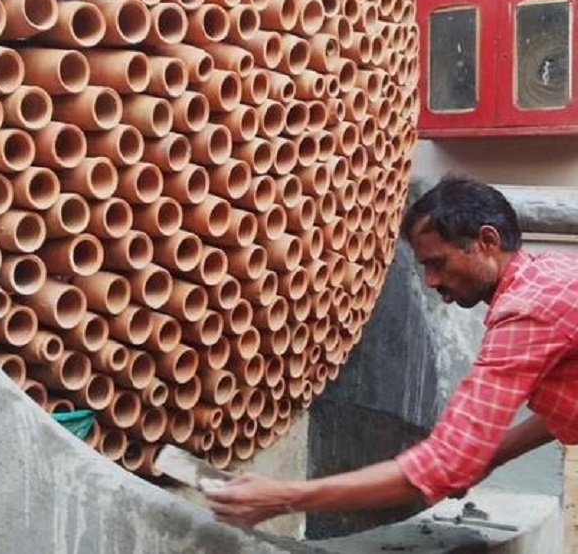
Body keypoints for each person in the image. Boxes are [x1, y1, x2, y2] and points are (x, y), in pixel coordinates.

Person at [205, 176, 578, 527]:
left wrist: (283, 497)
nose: (431, 281)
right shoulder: (549, 274)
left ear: (487, 241)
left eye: (438, 263)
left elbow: (445, 464)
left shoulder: (526, 312)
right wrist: (491, 455)